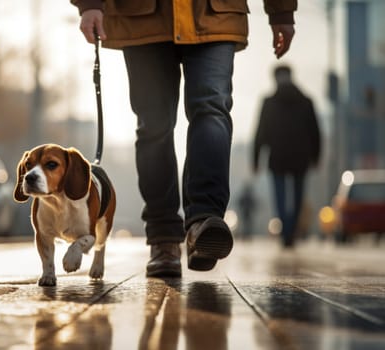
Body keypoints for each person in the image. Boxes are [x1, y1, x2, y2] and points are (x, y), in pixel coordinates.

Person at [71, 0, 297, 276]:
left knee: (211, 110)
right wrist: (90, 3)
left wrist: (282, 9)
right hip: (143, 15)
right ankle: (163, 238)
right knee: (154, 124)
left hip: (215, 14)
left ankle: (204, 222)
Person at [253, 65, 321, 248]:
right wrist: (316, 156)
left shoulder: (269, 102)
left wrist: (256, 159)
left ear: (275, 78)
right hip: (301, 156)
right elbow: (315, 131)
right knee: (298, 196)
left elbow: (260, 131)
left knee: (280, 196)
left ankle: (286, 231)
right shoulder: (306, 101)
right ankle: (291, 230)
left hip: (278, 157)